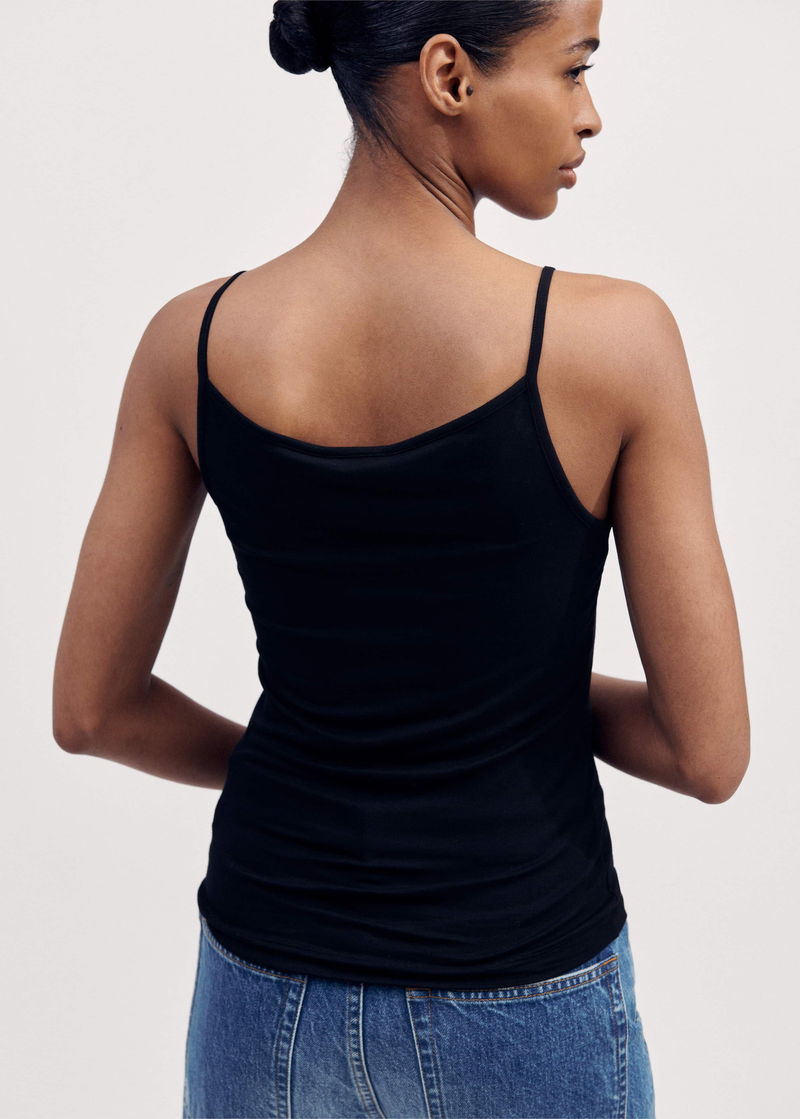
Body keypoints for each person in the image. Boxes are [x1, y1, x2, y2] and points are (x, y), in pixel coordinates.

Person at [52, 1, 750, 1116]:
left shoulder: (190, 342)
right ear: (448, 75)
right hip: (521, 989)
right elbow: (704, 752)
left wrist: (338, 737)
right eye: (573, 69)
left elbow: (92, 711)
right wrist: (497, 696)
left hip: (263, 990)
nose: (591, 116)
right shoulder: (615, 344)